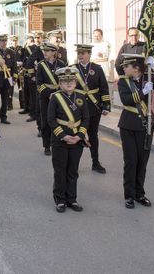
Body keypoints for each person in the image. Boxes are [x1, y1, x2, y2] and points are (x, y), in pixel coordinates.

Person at [117, 54, 154, 209]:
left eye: (127, 66)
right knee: (131, 161)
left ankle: (140, 194)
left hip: (145, 125)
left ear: (136, 68)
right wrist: (143, 93)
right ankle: (129, 195)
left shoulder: (149, 77)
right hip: (128, 124)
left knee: (142, 162)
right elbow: (126, 100)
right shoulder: (123, 81)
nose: (124, 68)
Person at [48, 67, 90, 213]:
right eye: (65, 81)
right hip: (60, 140)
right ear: (60, 83)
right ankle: (60, 199)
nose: (68, 84)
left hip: (76, 140)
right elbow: (51, 120)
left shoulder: (81, 96)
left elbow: (86, 119)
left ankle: (72, 198)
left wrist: (79, 136)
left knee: (73, 171)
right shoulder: (55, 97)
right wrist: (63, 136)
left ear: (75, 82)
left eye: (71, 80)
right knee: (60, 170)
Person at [72, 44, 110, 173]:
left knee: (93, 135)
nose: (80, 56)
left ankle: (95, 162)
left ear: (89, 54)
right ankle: (74, 165)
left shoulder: (97, 69)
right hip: (77, 107)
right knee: (77, 135)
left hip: (94, 108)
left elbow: (104, 88)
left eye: (83, 53)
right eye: (79, 53)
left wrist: (106, 105)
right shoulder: (72, 69)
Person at [36, 42, 67, 155]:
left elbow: (65, 81)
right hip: (45, 97)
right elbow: (39, 84)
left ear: (54, 52)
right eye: (44, 50)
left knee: (59, 120)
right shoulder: (41, 65)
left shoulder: (61, 64)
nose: (45, 53)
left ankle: (58, 142)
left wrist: (58, 93)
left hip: (59, 96)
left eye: (48, 51)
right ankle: (46, 146)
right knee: (46, 122)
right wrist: (49, 93)